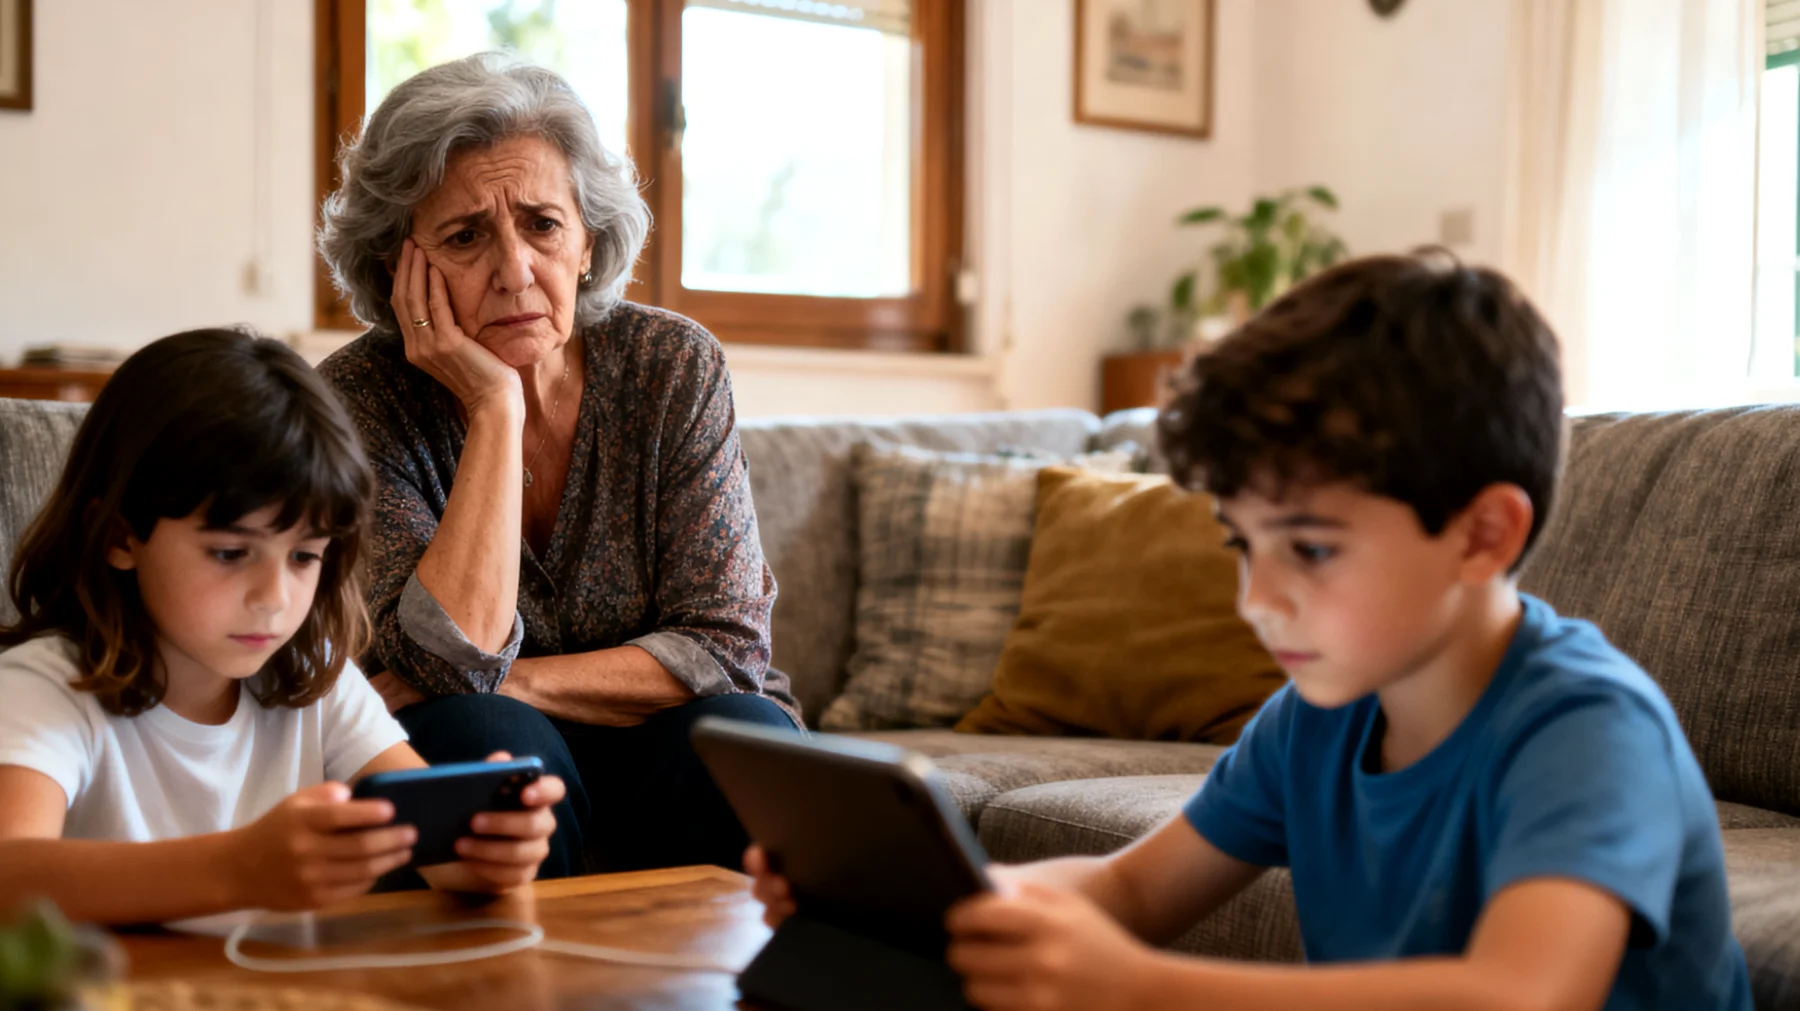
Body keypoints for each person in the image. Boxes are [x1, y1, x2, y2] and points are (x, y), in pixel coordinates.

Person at [748, 251, 1751, 1010]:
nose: (1257, 599)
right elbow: (1129, 891)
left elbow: (1518, 995)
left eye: (1310, 549)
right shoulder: (1319, 715)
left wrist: (1140, 987)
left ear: (1483, 533)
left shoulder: (1584, 726)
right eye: (1243, 544)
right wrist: (924, 899)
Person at [315, 52, 798, 880]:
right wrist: (494, 407)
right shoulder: (358, 400)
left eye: (541, 224)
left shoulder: (671, 365)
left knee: (742, 732)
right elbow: (444, 669)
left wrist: (522, 681)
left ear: (586, 240)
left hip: (662, 739)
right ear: (403, 269)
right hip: (476, 736)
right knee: (483, 743)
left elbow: (723, 647)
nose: (514, 271)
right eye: (466, 237)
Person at [0, 329, 565, 925]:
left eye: (303, 557)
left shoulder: (314, 679)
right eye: (229, 553)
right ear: (120, 537)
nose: (273, 599)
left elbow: (443, 857)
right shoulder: (47, 687)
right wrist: (236, 869)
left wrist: (492, 847)